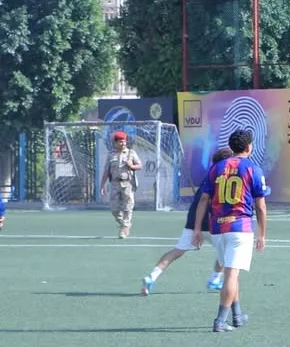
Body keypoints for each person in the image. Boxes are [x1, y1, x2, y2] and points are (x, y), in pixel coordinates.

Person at [191, 129, 269, 333]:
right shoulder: (253, 169)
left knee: (230, 273)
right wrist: (262, 233)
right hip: (239, 228)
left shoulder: (217, 168)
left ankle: (237, 315)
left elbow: (204, 199)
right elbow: (260, 206)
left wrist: (197, 229)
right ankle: (220, 320)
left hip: (217, 228)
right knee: (231, 275)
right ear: (249, 147)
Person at [139, 148, 232, 296]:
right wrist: (199, 229)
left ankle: (152, 276)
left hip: (193, 220)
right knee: (228, 252)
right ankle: (214, 280)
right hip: (211, 223)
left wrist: (196, 227)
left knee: (177, 252)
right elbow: (206, 202)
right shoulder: (223, 178)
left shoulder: (209, 175)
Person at [99, 131, 142, 239]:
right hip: (114, 183)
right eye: (120, 142)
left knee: (128, 207)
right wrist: (102, 186)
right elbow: (106, 171)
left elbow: (139, 165)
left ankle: (124, 229)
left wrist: (131, 165)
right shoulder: (111, 154)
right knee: (114, 209)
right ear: (115, 143)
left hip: (127, 183)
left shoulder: (131, 153)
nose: (122, 144)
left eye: (124, 141)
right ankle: (124, 224)